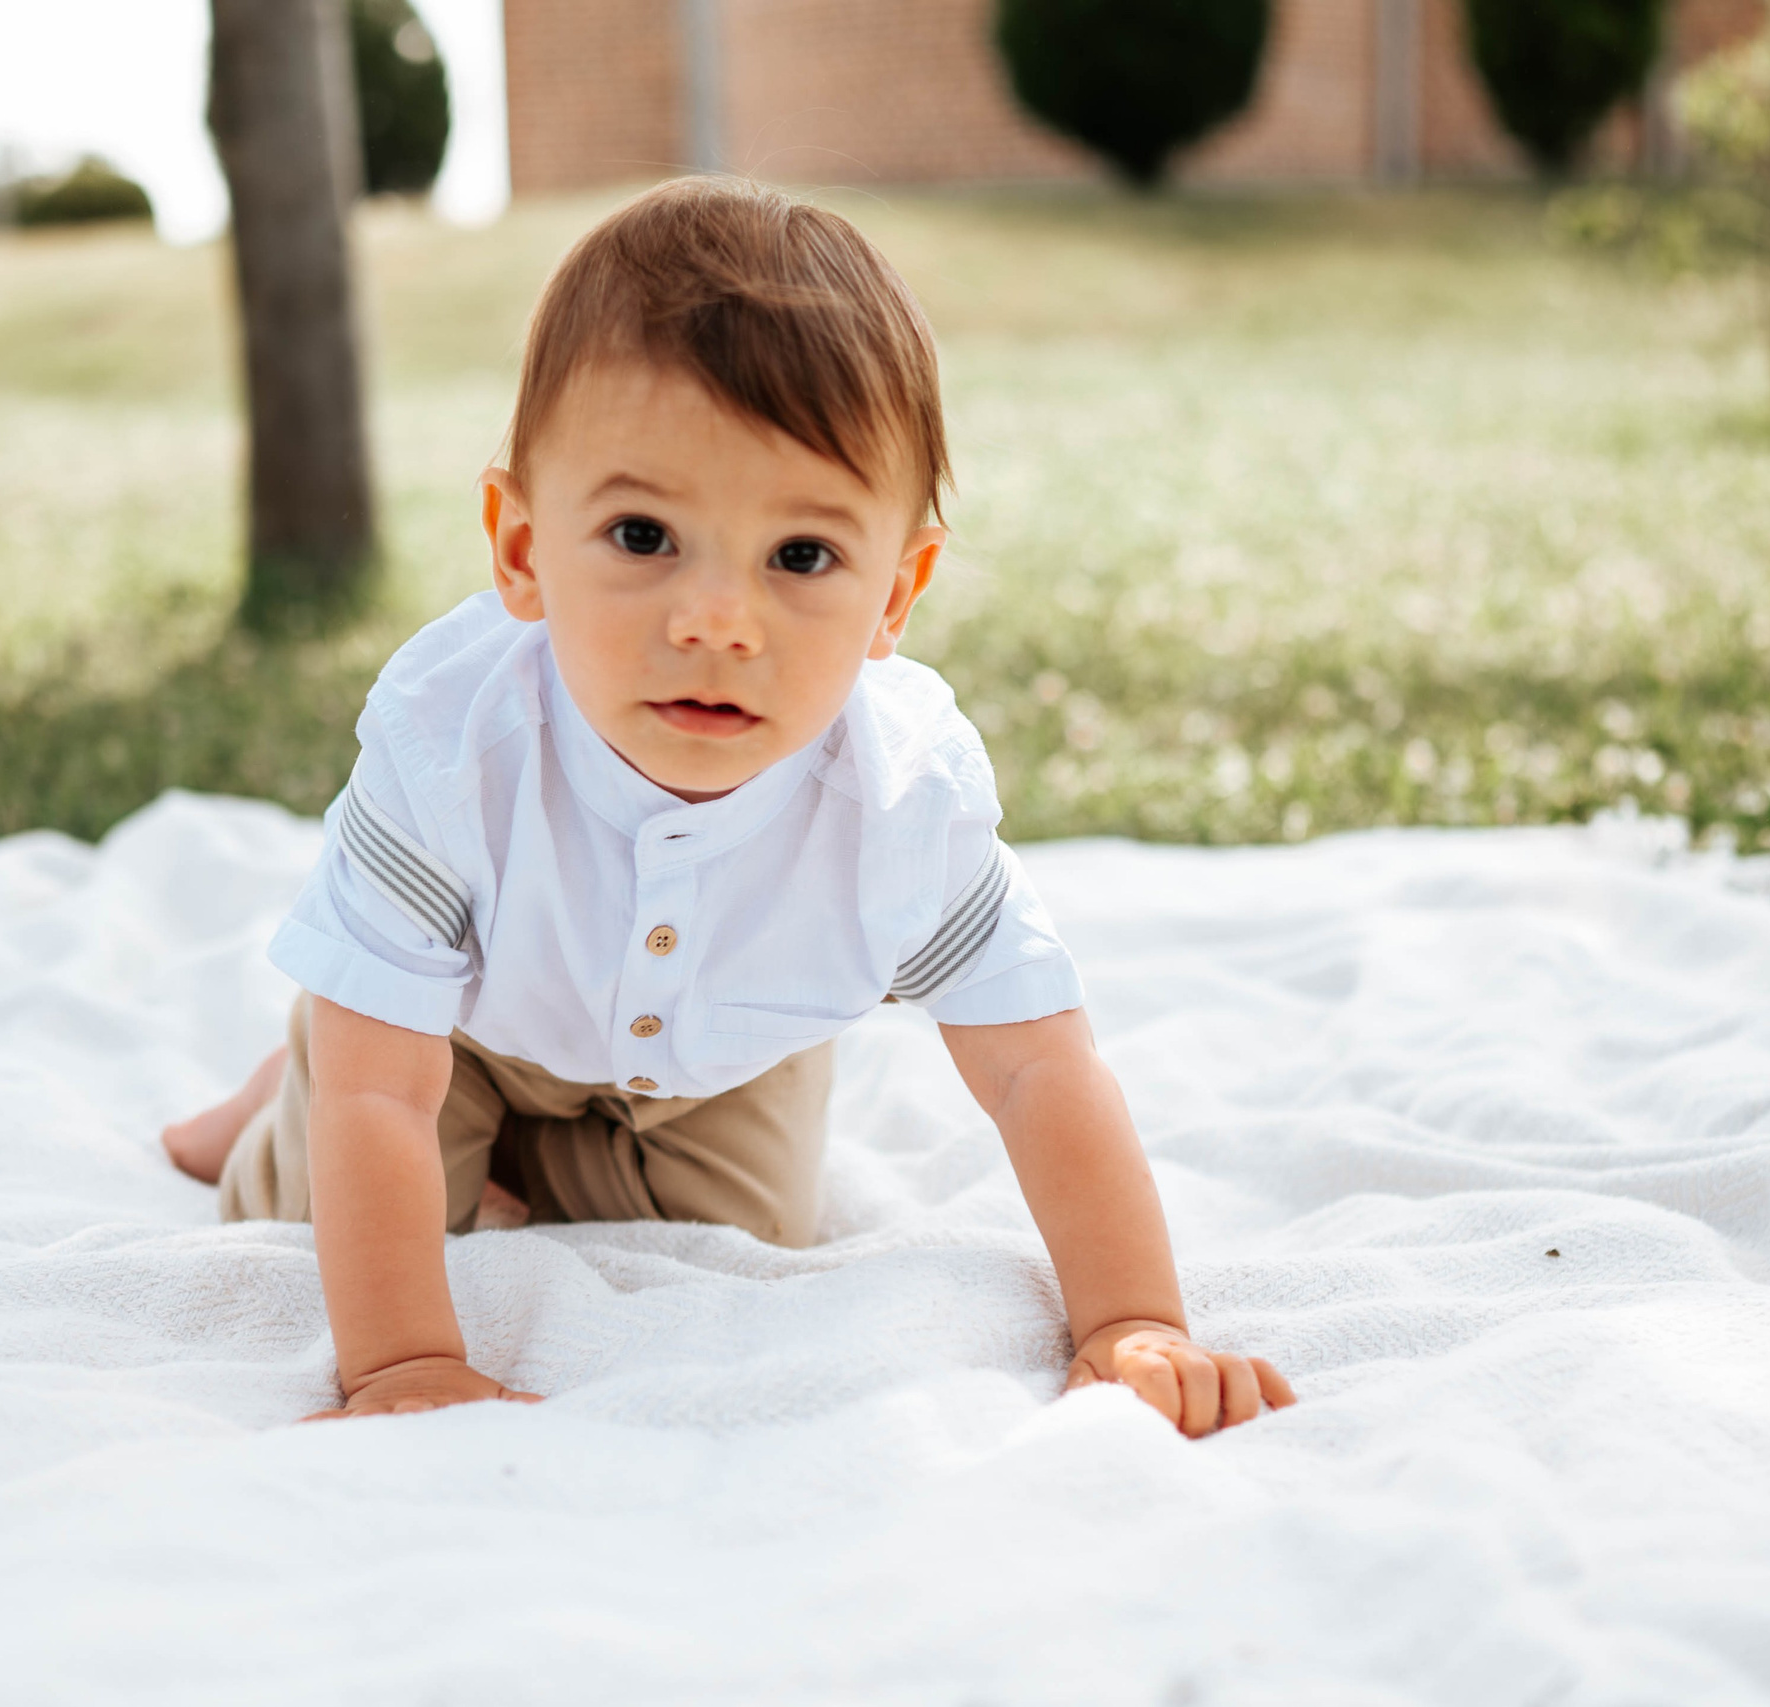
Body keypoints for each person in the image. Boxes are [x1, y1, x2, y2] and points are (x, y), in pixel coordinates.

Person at [164, 176, 1294, 1436]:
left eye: (801, 557)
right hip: (465, 1025)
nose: (715, 621)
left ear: (894, 595)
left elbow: (1038, 1065)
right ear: (523, 548)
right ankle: (291, 1074)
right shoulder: (451, 754)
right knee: (345, 1188)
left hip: (712, 1058)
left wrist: (1130, 1320)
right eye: (644, 536)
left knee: (731, 1238)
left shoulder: (899, 802)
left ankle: (500, 1140)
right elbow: (382, 1096)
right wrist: (402, 1364)